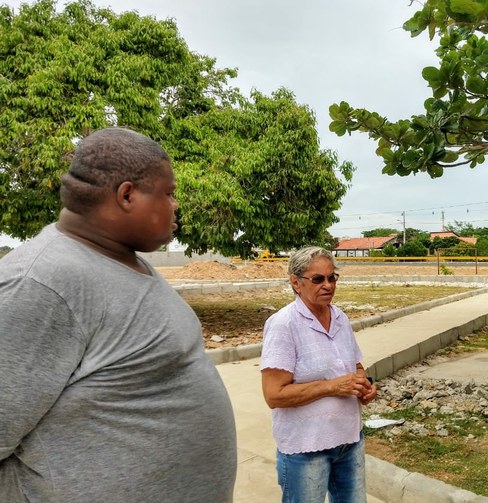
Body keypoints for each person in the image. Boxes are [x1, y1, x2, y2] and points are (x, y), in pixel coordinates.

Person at [0, 128, 237, 502]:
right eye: (169, 193)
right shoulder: (40, 283)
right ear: (127, 195)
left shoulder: (124, 259)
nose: (175, 205)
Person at [261, 246, 377, 503]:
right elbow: (274, 395)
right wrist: (332, 387)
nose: (328, 285)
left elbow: (355, 366)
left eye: (332, 277)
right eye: (318, 279)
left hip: (349, 440)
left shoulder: (340, 318)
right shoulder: (283, 325)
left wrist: (365, 386)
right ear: (296, 282)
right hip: (306, 448)